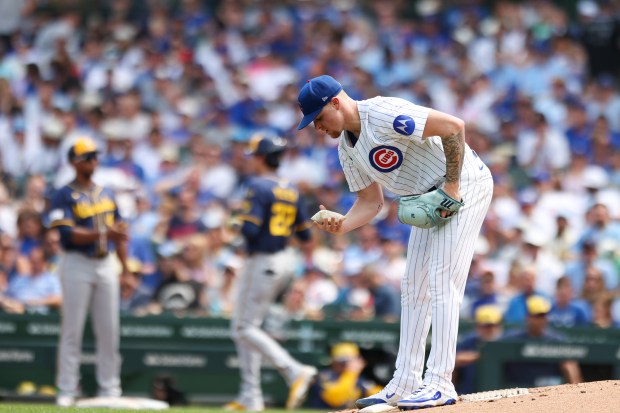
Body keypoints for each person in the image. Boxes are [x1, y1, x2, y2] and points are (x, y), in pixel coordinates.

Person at [297, 75, 493, 409]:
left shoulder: (383, 113)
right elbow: (371, 203)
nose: (317, 127)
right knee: (412, 285)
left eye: (318, 118)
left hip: (465, 185)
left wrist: (453, 185)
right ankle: (404, 383)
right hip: (425, 199)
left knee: (442, 278)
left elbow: (453, 126)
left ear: (335, 102)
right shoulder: (346, 148)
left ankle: (441, 382)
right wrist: (342, 225)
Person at [224, 135, 317, 412]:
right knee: (245, 328)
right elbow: (305, 235)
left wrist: (234, 220)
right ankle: (250, 396)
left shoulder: (256, 186)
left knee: (243, 327)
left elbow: (250, 229)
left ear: (262, 157)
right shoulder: (292, 189)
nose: (251, 160)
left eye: (254, 155)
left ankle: (293, 370)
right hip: (283, 260)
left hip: (261, 259)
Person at [49, 137, 129, 407]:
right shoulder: (63, 194)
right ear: (74, 162)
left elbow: (120, 234)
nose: (93, 161)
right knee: (72, 329)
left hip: (106, 263)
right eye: (87, 157)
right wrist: (104, 233)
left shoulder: (107, 193)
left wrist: (127, 270)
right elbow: (66, 232)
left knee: (109, 330)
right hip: (76, 262)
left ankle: (110, 388)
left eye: (94, 156)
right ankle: (67, 389)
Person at [501, 295, 583, 387]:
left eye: (543, 315)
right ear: (528, 317)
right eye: (537, 316)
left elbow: (570, 366)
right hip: (518, 391)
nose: (541, 319)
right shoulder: (511, 338)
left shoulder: (557, 339)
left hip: (549, 391)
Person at [307, 342, 381, 410]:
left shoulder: (358, 378)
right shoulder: (325, 376)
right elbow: (335, 399)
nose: (345, 364)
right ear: (333, 360)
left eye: (350, 360)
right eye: (342, 361)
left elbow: (380, 396)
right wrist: (351, 373)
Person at [454, 305, 504, 395]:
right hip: (468, 393)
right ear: (477, 326)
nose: (490, 330)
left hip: (501, 394)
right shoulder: (468, 342)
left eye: (493, 325)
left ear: (499, 326)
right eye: (485, 326)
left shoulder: (506, 342)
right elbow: (453, 360)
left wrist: (481, 356)